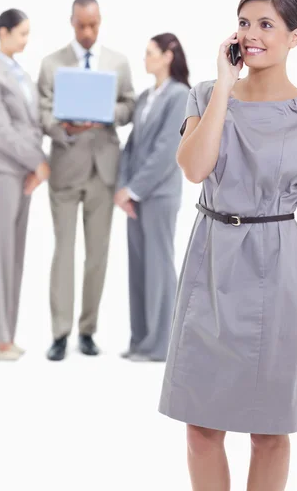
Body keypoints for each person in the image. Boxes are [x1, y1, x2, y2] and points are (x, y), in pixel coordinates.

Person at [158, 0, 297, 490]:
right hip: (210, 262)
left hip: (277, 269)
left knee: (269, 431)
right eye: (244, 22)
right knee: (199, 427)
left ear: (295, 37)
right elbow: (195, 168)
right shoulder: (205, 95)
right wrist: (223, 85)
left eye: (266, 25)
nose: (251, 34)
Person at [38, 0, 135, 361]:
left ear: (100, 21)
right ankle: (60, 333)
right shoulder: (51, 64)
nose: (88, 32)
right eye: (82, 25)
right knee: (64, 251)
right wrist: (65, 126)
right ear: (72, 22)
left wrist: (107, 112)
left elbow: (130, 106)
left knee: (98, 255)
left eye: (93, 25)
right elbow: (42, 111)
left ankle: (87, 330)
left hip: (103, 170)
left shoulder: (118, 62)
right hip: (65, 166)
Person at [0, 9, 50, 361]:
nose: (26, 40)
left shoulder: (21, 73)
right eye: (21, 33)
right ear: (3, 33)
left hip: (24, 173)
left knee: (15, 253)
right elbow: (2, 131)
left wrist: (38, 164)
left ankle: (7, 333)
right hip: (4, 172)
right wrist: (36, 161)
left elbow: (33, 124)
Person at [115, 33, 190, 362]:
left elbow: (166, 151)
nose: (144, 58)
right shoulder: (146, 96)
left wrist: (134, 189)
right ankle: (140, 341)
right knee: (139, 267)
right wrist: (123, 188)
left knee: (159, 266)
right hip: (135, 197)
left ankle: (160, 346)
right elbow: (130, 146)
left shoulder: (180, 96)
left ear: (167, 55)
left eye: (150, 53)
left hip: (159, 195)